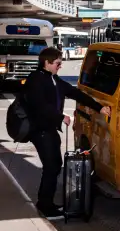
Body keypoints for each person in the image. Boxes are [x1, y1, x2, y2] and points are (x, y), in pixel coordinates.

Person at [23, 47, 111, 219]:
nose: (60, 66)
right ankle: (45, 205)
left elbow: (75, 93)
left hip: (49, 129)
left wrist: (99, 107)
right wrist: (60, 117)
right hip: (40, 130)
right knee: (52, 166)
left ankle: (45, 202)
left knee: (54, 165)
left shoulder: (53, 79)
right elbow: (39, 106)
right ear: (47, 63)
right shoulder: (35, 80)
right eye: (57, 63)